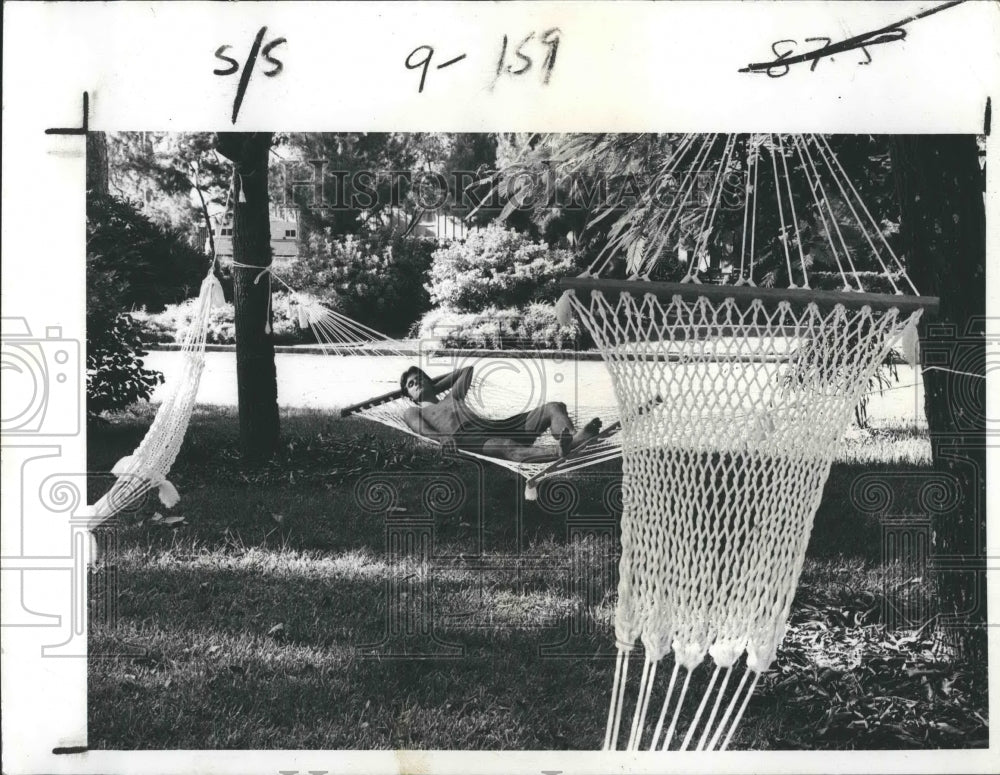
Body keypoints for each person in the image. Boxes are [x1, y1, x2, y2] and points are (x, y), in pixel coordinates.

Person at [400, 365, 602, 462]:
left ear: (429, 381)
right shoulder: (414, 410)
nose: (416, 382)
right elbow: (421, 428)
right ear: (409, 396)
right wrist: (442, 438)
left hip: (492, 426)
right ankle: (558, 451)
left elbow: (466, 371)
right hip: (466, 436)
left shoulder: (452, 396)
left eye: (419, 378)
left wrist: (434, 386)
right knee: (507, 447)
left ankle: (574, 437)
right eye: (411, 384)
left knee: (553, 406)